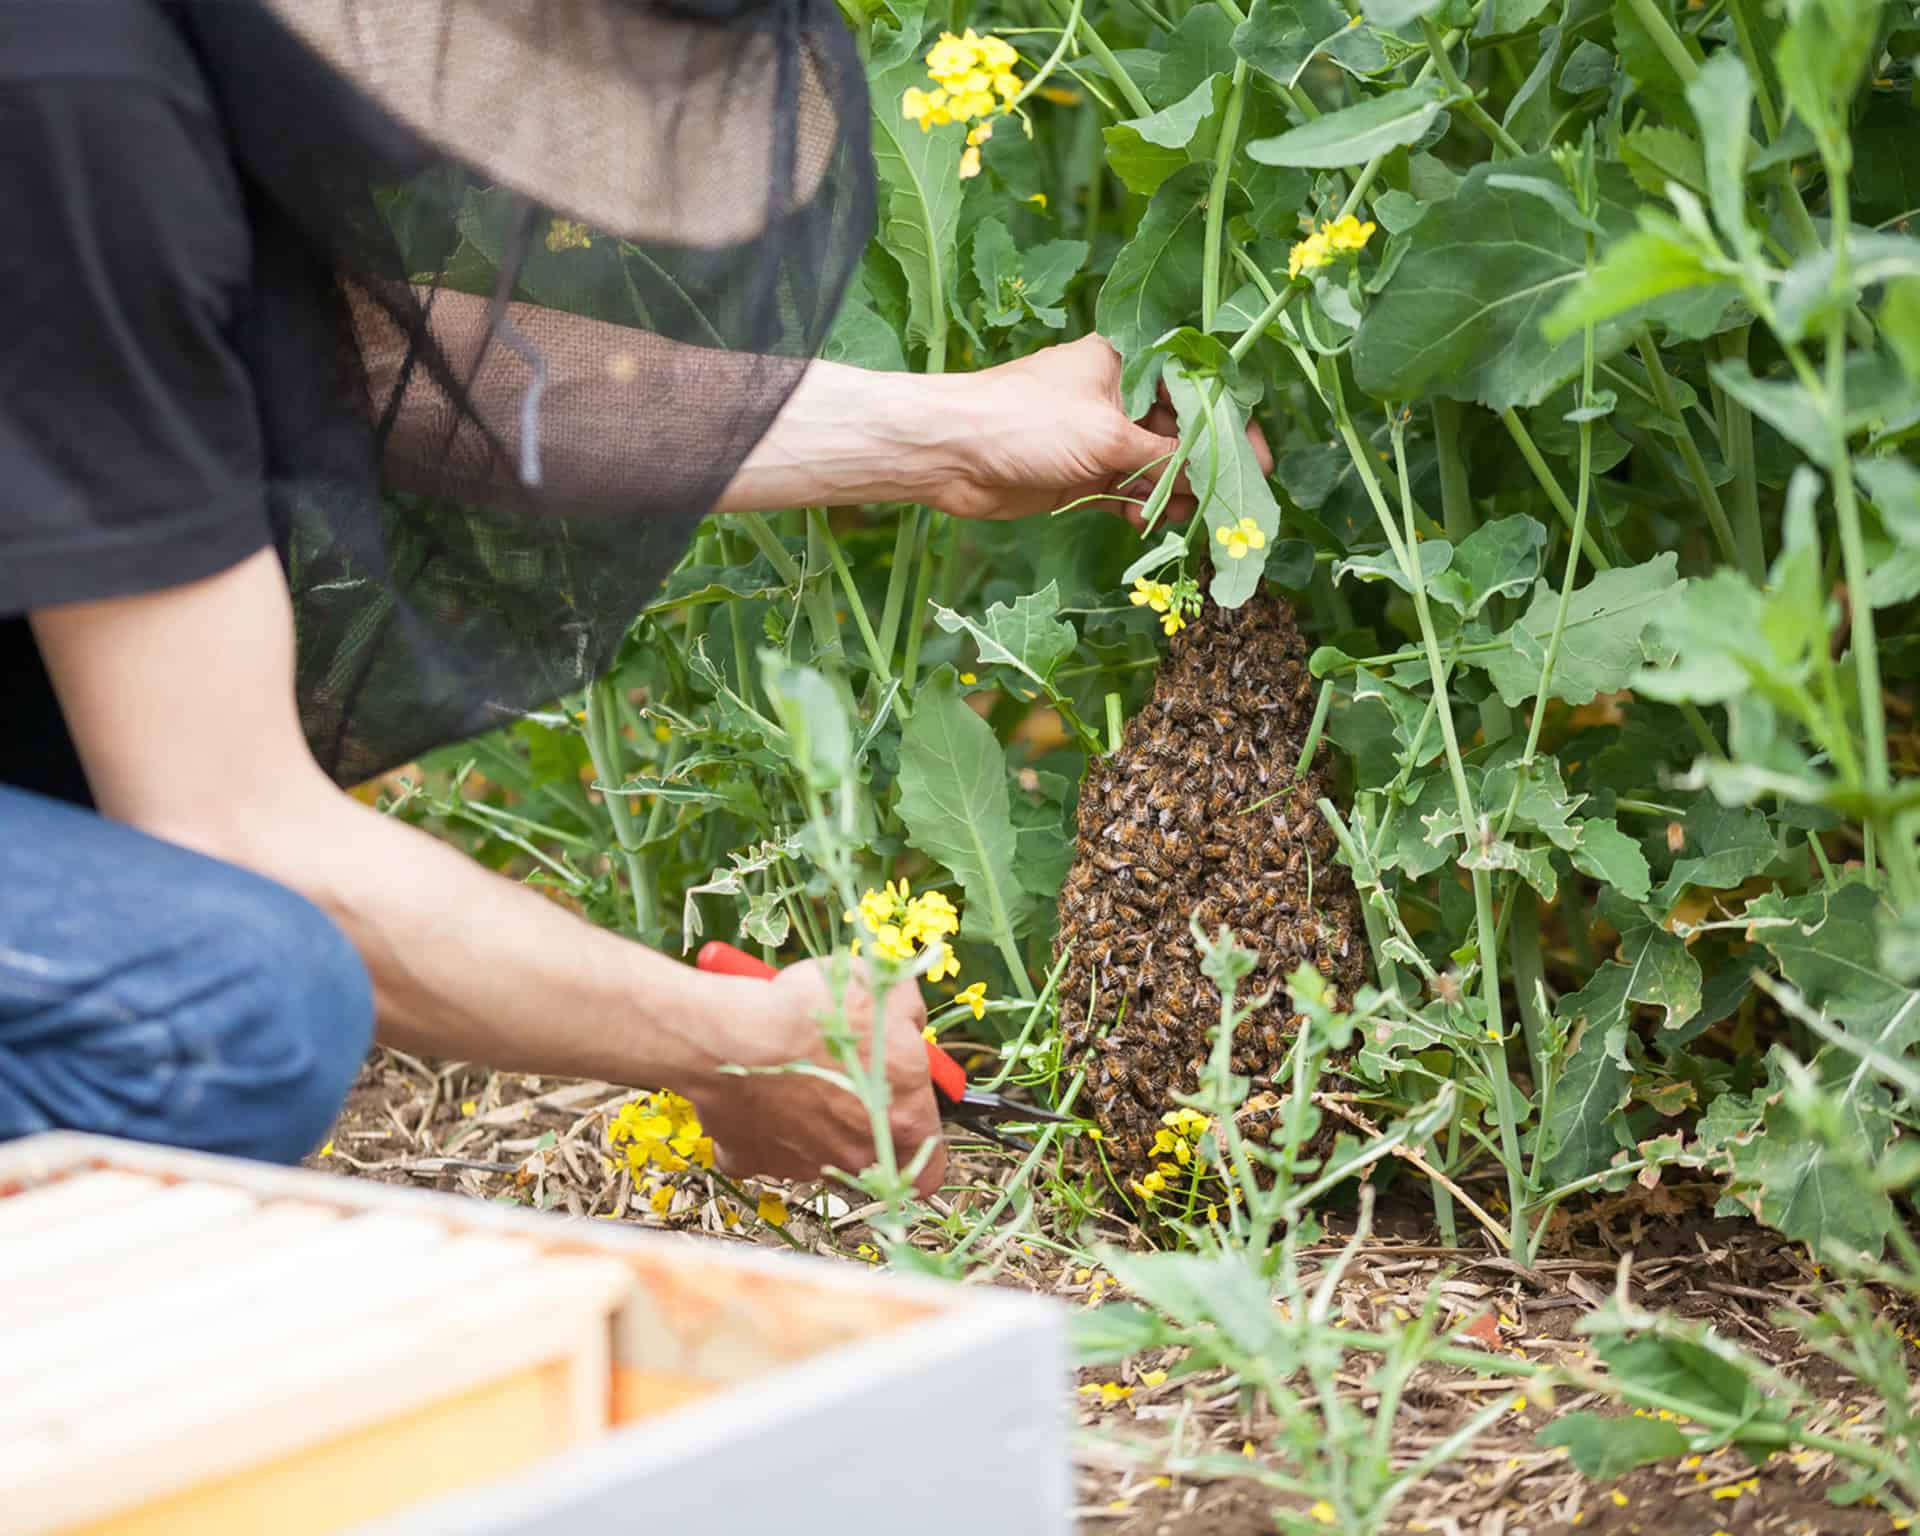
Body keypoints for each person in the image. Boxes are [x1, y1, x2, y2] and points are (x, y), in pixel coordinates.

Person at [0, 0, 1214, 1189]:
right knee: (236, 1007)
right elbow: (232, 826)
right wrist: (728, 1047)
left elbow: (316, 358)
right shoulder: (70, 89)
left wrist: (947, 435)